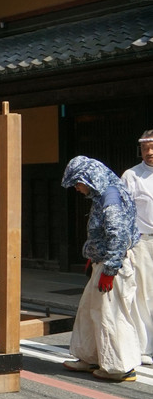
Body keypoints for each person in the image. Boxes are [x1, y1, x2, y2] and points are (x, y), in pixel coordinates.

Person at [61, 156, 141, 382]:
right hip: (103, 261)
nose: (77, 188)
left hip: (112, 264)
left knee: (110, 314)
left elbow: (117, 233)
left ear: (89, 178)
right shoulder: (104, 193)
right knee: (90, 311)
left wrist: (110, 269)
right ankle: (90, 357)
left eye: (78, 182)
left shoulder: (110, 196)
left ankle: (119, 367)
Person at [121, 130, 153, 366]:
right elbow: (124, 213)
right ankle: (145, 346)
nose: (149, 152)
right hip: (143, 242)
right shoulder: (131, 176)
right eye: (145, 148)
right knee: (144, 294)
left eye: (152, 147)